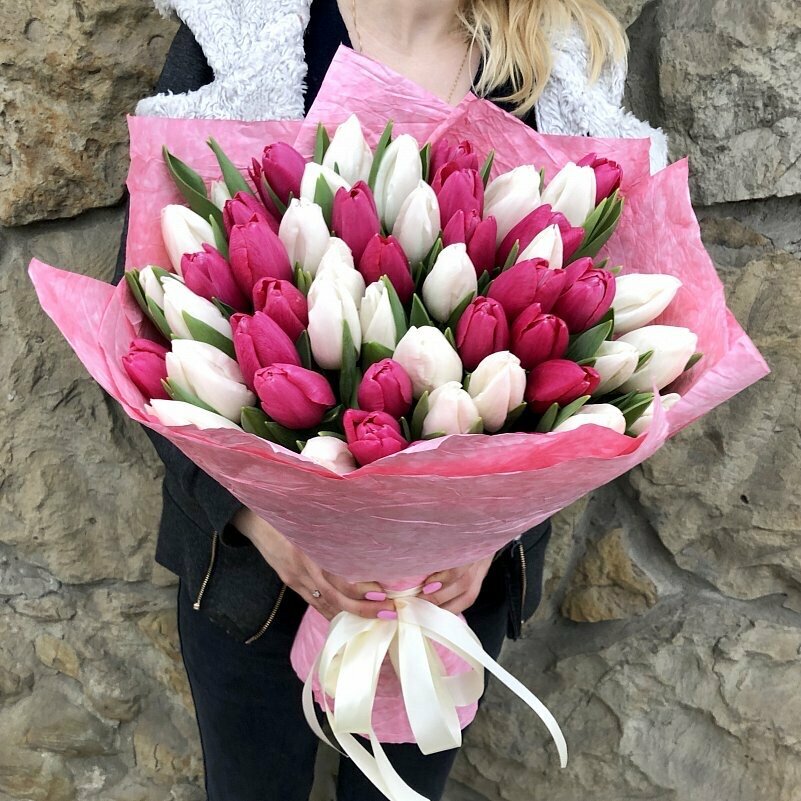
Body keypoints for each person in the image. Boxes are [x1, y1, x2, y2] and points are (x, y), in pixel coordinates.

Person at [113, 1, 666, 799]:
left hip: (450, 591)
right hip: (252, 578)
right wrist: (256, 519)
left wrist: (490, 529)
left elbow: (596, 337)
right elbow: (141, 312)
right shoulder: (244, 27)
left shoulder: (561, 59)